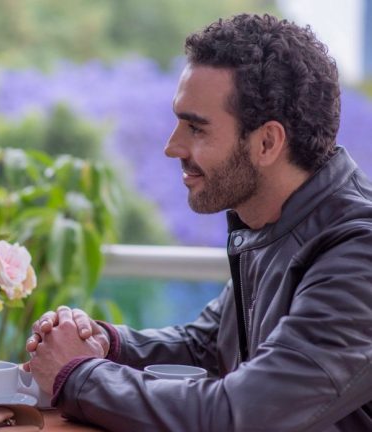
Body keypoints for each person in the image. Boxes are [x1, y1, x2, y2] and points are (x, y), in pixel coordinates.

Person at [26, 13, 372, 431]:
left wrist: (78, 375)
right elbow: (206, 347)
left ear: (267, 142)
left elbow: (240, 415)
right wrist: (108, 344)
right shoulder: (274, 224)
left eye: (196, 128)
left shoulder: (358, 255)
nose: (172, 147)